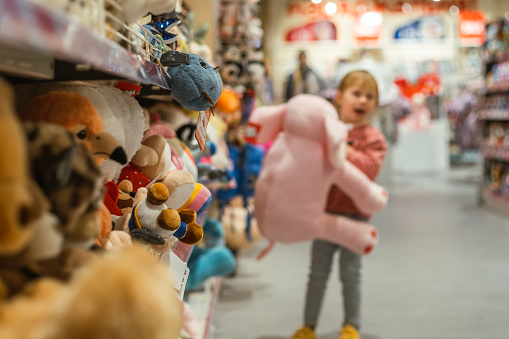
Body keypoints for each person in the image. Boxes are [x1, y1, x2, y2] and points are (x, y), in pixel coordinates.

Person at [291, 70, 387, 339]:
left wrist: (345, 149)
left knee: (351, 273)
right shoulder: (327, 129)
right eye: (357, 94)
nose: (363, 101)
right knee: (317, 274)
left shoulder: (374, 137)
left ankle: (351, 325)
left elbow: (369, 169)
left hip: (356, 218)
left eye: (370, 96)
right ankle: (308, 326)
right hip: (324, 213)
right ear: (340, 97)